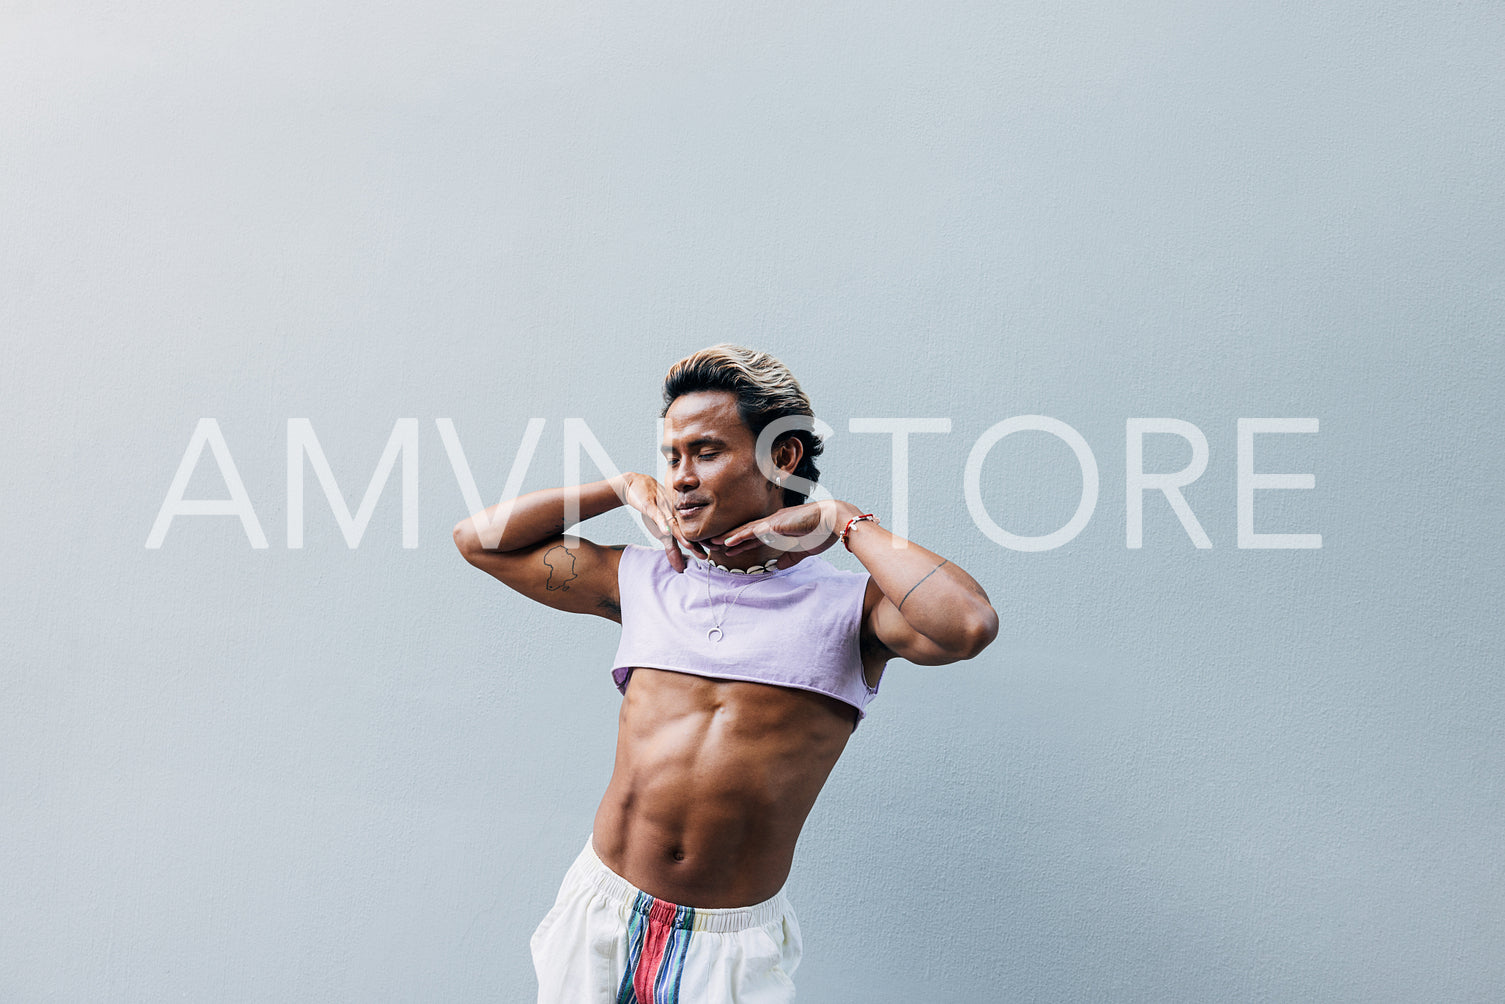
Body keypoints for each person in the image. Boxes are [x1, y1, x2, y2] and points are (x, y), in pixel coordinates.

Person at [453, 345, 998, 1003]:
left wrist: (839, 519)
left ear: (781, 456)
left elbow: (967, 624)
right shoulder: (640, 578)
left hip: (728, 950)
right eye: (671, 457)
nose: (680, 476)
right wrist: (619, 486)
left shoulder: (850, 610)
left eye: (705, 452)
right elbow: (476, 539)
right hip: (600, 914)